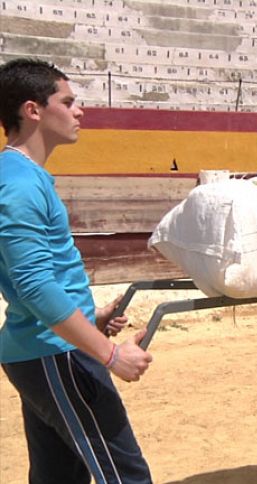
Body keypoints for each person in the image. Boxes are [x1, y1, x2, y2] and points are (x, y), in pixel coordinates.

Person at [0, 58, 153, 483]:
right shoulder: (20, 184)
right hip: (56, 354)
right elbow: (33, 286)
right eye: (67, 102)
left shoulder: (21, 175)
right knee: (125, 476)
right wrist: (111, 354)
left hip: (44, 349)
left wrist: (90, 318)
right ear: (33, 110)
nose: (79, 111)